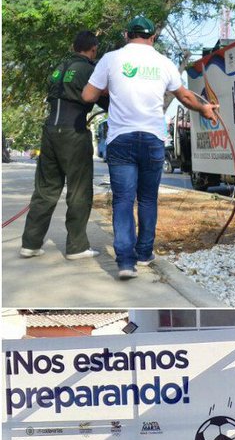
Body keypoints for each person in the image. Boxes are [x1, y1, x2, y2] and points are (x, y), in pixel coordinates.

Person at [81, 16, 219, 280]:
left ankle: (125, 262)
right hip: (153, 139)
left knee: (122, 200)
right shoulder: (164, 63)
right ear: (152, 37)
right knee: (147, 199)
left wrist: (109, 90)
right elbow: (185, 96)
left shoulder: (110, 59)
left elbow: (88, 96)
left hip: (121, 139)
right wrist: (204, 108)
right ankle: (144, 253)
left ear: (126, 35)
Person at [19, 31, 106, 261]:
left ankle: (30, 244)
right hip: (73, 133)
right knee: (78, 190)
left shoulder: (58, 68)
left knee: (45, 190)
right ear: (94, 49)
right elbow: (105, 100)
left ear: (72, 46)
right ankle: (77, 247)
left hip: (49, 132)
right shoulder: (89, 70)